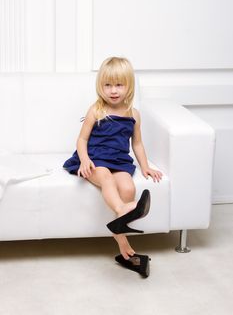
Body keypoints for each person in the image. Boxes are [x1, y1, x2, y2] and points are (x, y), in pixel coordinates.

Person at [63, 57, 163, 277]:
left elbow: (136, 143)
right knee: (106, 180)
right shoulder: (97, 110)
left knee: (128, 188)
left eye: (119, 84)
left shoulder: (133, 114)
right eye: (107, 85)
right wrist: (85, 159)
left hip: (119, 161)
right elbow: (81, 140)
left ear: (129, 85)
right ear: (100, 86)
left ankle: (123, 241)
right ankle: (122, 218)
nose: (113, 90)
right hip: (95, 159)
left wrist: (145, 166)